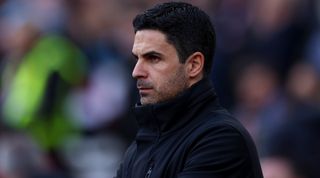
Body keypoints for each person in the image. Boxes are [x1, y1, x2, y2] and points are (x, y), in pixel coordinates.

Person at [115, 2, 263, 178]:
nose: (136, 72)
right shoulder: (137, 150)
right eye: (137, 58)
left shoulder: (221, 140)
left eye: (153, 58)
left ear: (193, 65)